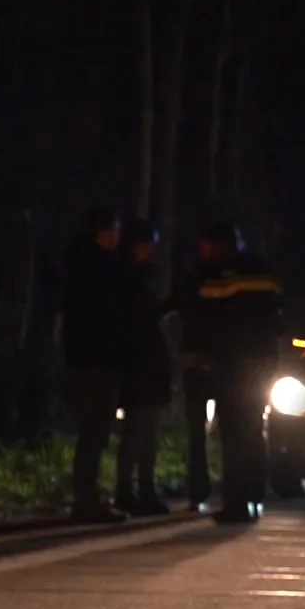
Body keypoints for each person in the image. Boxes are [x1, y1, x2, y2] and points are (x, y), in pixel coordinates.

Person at [177, 222, 285, 525]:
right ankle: (254, 495)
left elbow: (206, 319)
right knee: (254, 430)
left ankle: (236, 501)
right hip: (262, 364)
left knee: (234, 433)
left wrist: (202, 354)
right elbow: (277, 316)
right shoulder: (264, 272)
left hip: (233, 366)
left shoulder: (220, 277)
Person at [61, 208, 128, 523]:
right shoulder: (99, 268)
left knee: (91, 431)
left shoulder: (77, 263)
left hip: (84, 357)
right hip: (97, 359)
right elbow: (108, 314)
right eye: (114, 229)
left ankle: (85, 495)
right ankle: (86, 498)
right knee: (94, 431)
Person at [114, 219, 171, 516]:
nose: (151, 250)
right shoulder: (125, 279)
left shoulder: (142, 278)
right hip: (136, 364)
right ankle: (126, 490)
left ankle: (145, 489)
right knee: (136, 432)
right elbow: (135, 322)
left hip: (149, 364)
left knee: (148, 434)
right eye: (147, 244)